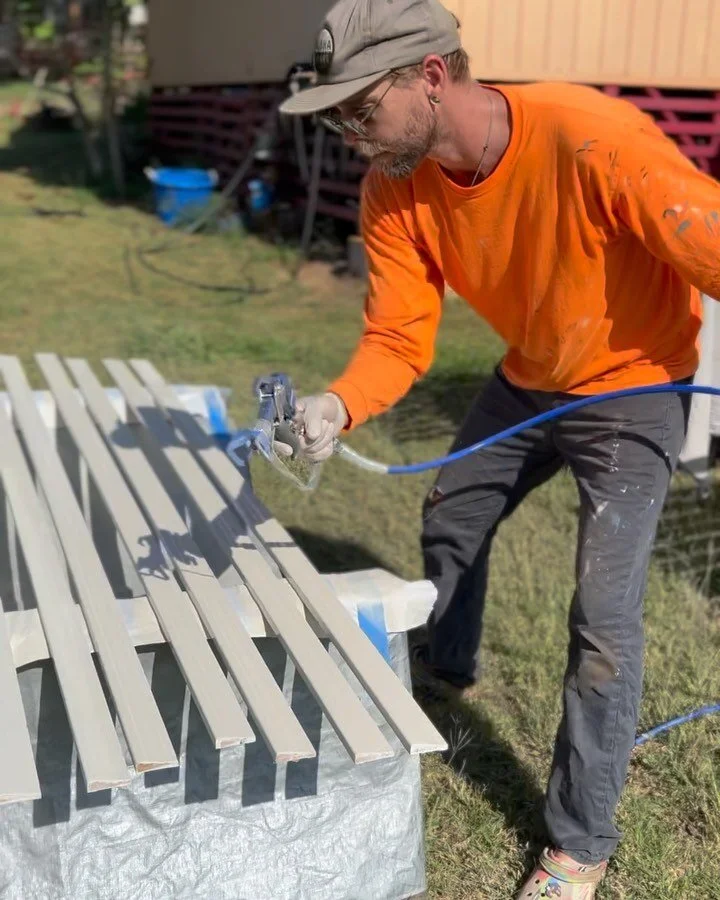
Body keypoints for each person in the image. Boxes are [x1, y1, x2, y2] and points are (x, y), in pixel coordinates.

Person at [280, 1, 720, 896]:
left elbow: (708, 240)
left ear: (431, 77)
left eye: (360, 109)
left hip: (633, 386)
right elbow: (399, 338)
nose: (351, 134)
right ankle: (447, 671)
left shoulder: (592, 136)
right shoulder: (397, 185)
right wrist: (339, 402)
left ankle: (579, 844)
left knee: (603, 620)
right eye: (337, 117)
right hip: (530, 379)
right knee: (453, 512)